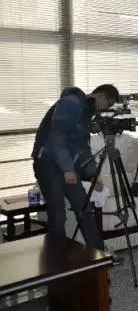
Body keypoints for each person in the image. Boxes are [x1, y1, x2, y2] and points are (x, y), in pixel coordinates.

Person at [32, 84, 120, 251]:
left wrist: (93, 175)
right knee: (58, 214)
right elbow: (56, 138)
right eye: (108, 103)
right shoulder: (71, 103)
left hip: (67, 166)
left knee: (84, 208)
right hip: (48, 164)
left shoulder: (86, 112)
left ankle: (99, 253)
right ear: (101, 96)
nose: (105, 108)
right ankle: (57, 257)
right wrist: (67, 169)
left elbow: (83, 146)